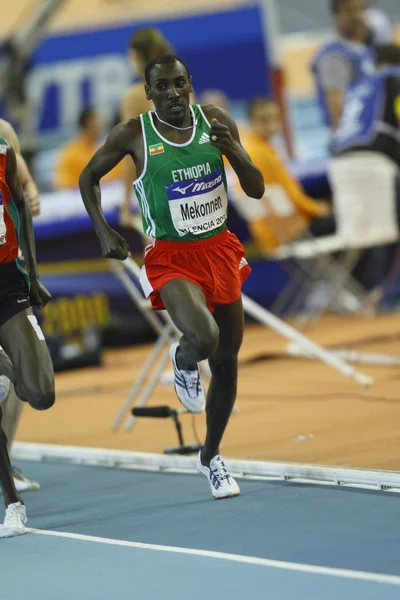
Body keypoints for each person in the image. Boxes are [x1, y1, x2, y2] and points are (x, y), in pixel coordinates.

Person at [80, 53, 264, 499]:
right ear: (149, 93)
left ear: (190, 84)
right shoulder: (133, 134)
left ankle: (211, 456)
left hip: (218, 249)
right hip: (171, 257)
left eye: (179, 84)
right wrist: (103, 230)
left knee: (227, 362)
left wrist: (236, 152)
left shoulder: (215, 120)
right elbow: (89, 178)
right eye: (161, 87)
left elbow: (255, 189)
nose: (172, 94)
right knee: (204, 338)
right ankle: (183, 361)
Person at [0, 135, 55, 538]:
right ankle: (12, 505)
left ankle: (5, 370)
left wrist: (33, 275)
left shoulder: (3, 148)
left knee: (40, 393)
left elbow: (20, 204)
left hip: (6, 282)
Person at [329, 43, 400, 291]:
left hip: (340, 162)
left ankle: (356, 292)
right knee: (385, 233)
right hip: (373, 160)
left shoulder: (359, 86)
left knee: (359, 235)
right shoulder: (394, 77)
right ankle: (390, 295)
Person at [0, 119, 42, 493]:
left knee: (19, 381)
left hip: (8, 269)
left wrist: (30, 194)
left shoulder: (5, 131)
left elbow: (24, 182)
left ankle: (6, 461)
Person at [231, 97, 331, 252]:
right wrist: (320, 209)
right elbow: (294, 198)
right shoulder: (261, 155)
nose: (271, 125)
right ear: (251, 121)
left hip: (270, 235)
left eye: (275, 119)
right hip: (293, 231)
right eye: (264, 120)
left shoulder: (249, 150)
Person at [119, 28, 174, 228]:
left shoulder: (135, 96)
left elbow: (132, 152)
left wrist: (126, 204)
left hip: (159, 186)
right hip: (190, 179)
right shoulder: (183, 87)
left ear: (136, 56)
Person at [311, 0, 376, 129]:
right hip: (356, 137)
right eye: (349, 10)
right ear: (336, 16)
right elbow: (336, 106)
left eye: (360, 9)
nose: (356, 15)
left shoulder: (362, 48)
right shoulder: (334, 55)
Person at [55, 107, 121, 190]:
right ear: (89, 122)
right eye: (97, 120)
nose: (101, 124)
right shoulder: (70, 154)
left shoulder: (102, 150)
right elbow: (64, 185)